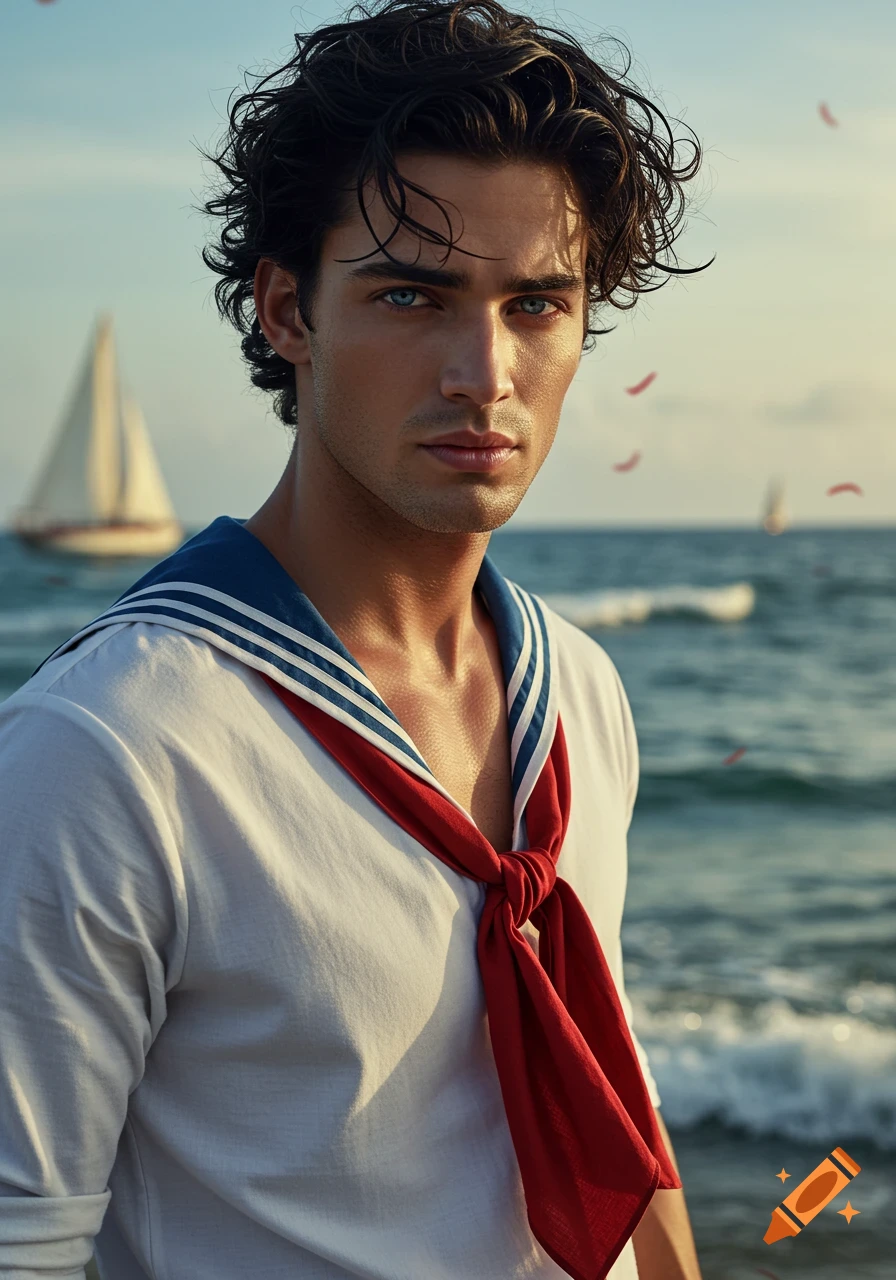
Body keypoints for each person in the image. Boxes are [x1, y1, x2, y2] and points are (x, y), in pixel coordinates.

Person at [0, 2, 710, 1276]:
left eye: (536, 304)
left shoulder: (580, 692)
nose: (482, 372)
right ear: (287, 312)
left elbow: (602, 1106)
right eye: (410, 294)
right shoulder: (104, 749)